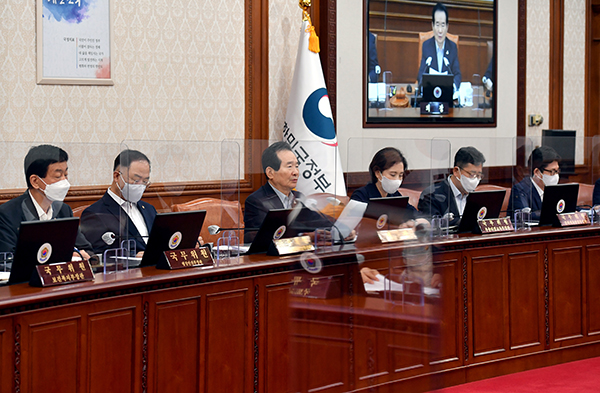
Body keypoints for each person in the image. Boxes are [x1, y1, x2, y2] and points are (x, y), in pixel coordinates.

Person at [0, 144, 93, 258]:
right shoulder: (7, 214)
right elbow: (7, 261)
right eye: (58, 176)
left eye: (66, 175)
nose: (65, 182)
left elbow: (88, 250)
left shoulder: (64, 210)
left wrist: (81, 255)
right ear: (35, 181)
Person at [244, 141, 331, 243]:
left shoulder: (298, 197)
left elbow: (321, 224)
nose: (295, 172)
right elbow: (263, 240)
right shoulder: (257, 201)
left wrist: (340, 232)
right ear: (270, 173)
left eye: (297, 166)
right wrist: (307, 237)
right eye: (289, 166)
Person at [80, 150, 157, 256]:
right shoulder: (95, 214)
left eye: (145, 182)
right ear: (117, 176)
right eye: (136, 180)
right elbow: (99, 256)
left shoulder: (149, 209)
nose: (140, 186)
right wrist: (134, 257)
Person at [418, 146, 486, 226]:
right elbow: (432, 226)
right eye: (472, 174)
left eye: (479, 175)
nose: (475, 180)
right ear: (456, 171)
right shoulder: (431, 195)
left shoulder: (476, 198)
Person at [351, 147, 417, 214]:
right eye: (393, 175)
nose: (397, 179)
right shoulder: (361, 195)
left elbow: (413, 213)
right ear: (378, 173)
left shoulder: (395, 195)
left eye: (400, 175)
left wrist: (417, 220)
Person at [417, 2, 461, 96]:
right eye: (437, 25)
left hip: (447, 95)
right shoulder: (426, 46)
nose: (440, 30)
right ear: (432, 26)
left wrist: (452, 88)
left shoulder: (452, 47)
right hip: (431, 95)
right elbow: (420, 75)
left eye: (443, 25)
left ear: (447, 27)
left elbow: (457, 75)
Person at [508, 146, 561, 220]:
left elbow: (569, 208)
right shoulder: (520, 189)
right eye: (552, 171)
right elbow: (525, 215)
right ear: (537, 172)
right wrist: (555, 214)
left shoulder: (555, 189)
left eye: (557, 171)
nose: (556, 176)